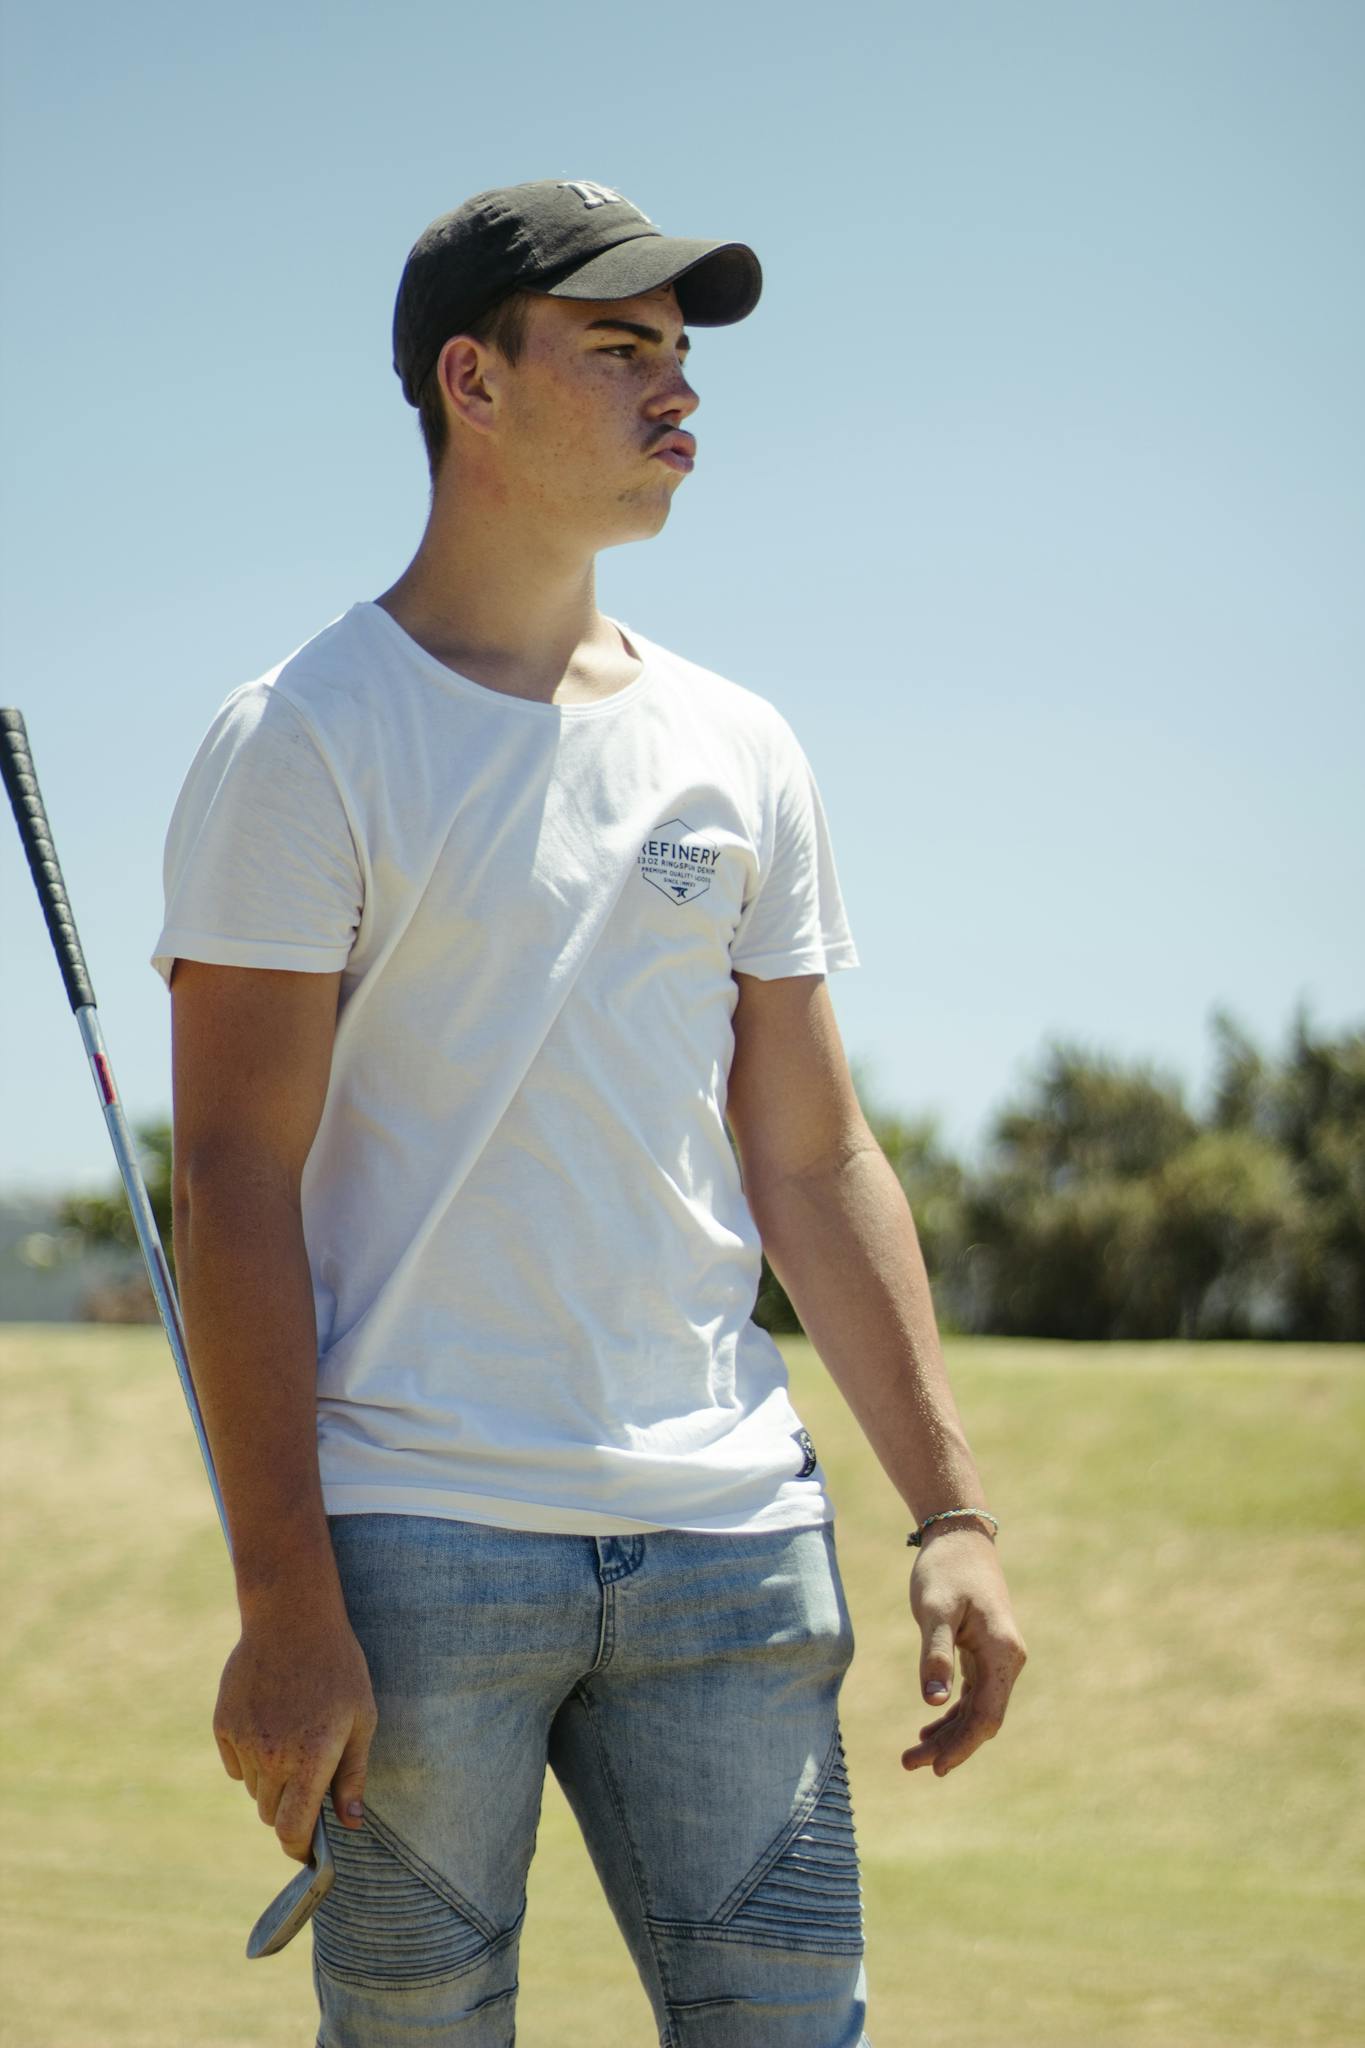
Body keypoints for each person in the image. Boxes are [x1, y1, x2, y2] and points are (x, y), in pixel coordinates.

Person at [155, 179, 1027, 2048]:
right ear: (469, 381)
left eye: (683, 357)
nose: (676, 394)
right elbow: (232, 1182)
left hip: (731, 1546)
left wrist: (948, 1509)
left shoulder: (742, 746)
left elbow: (812, 1157)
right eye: (620, 350)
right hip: (413, 1557)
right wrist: (284, 1600)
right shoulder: (302, 736)